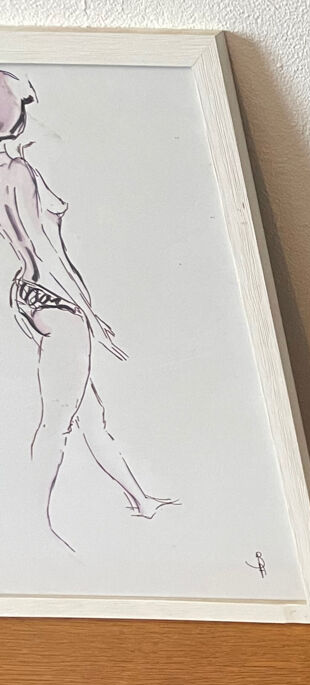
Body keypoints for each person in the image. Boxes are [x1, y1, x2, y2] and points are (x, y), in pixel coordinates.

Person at [0, 68, 174, 551]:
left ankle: (141, 498)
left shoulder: (7, 171)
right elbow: (45, 248)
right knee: (57, 421)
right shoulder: (16, 173)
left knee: (89, 415)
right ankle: (32, 526)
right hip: (57, 302)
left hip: (31, 296)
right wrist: (90, 313)